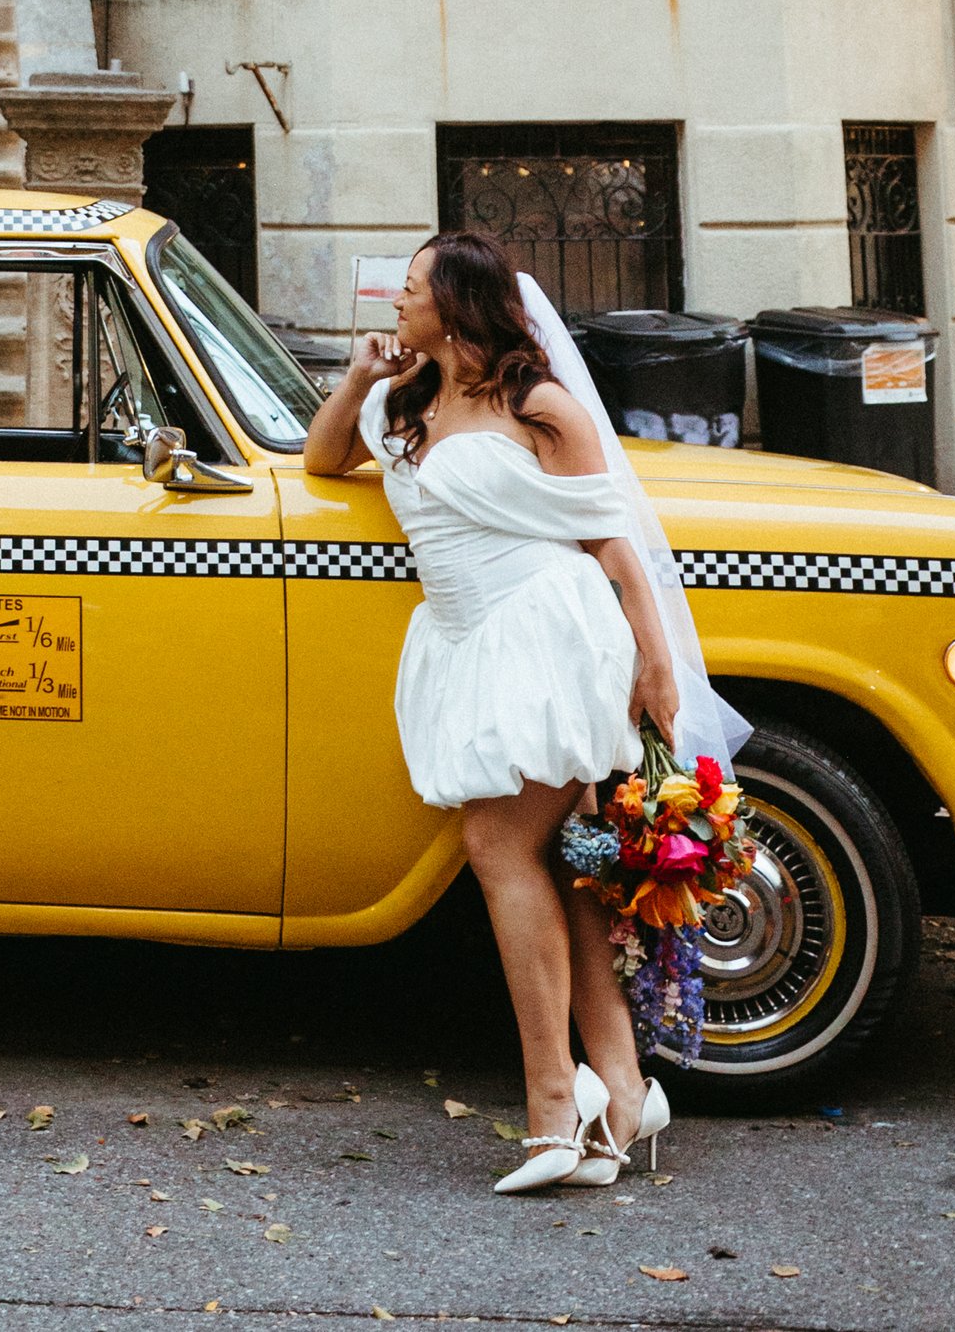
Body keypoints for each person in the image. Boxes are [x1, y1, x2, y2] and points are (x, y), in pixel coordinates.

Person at [303, 229, 746, 1193]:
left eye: (411, 291)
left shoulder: (538, 404)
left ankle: (555, 1101)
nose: (396, 304)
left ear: (458, 304)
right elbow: (322, 460)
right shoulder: (404, 404)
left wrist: (657, 666)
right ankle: (624, 1088)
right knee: (558, 862)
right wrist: (355, 378)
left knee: (498, 847)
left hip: (550, 630)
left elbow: (614, 541)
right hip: (465, 641)